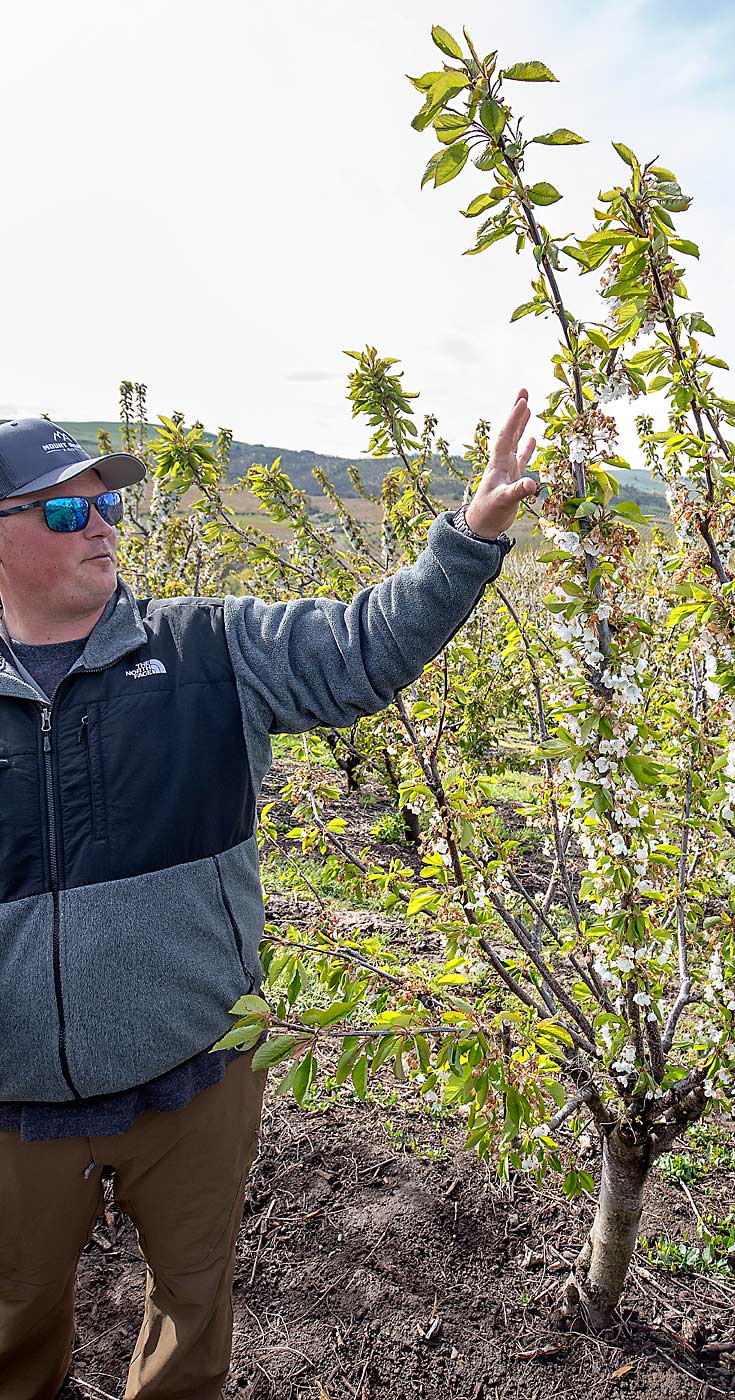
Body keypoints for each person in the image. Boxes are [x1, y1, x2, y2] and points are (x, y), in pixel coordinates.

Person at [0, 395, 537, 1400]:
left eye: (105, 505)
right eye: (66, 513)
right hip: (14, 1109)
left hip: (197, 1083)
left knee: (192, 1310)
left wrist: (467, 540)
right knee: (13, 1320)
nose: (102, 525)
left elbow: (363, 648)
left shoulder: (209, 650)